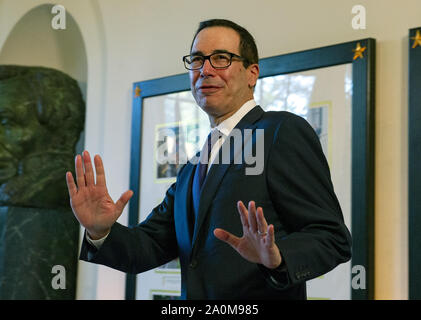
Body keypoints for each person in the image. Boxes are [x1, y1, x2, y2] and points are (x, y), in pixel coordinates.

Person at [66, 19, 352, 299]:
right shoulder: (193, 167)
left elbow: (331, 238)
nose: (205, 70)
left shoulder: (280, 131)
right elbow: (149, 245)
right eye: (198, 59)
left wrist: (278, 258)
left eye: (221, 58)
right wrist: (99, 230)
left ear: (252, 73)